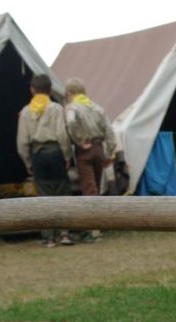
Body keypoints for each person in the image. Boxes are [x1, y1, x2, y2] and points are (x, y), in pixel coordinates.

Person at [17, 74, 73, 247]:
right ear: (50, 90)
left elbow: (22, 141)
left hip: (38, 155)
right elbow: (63, 135)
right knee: (62, 193)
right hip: (56, 152)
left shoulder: (26, 111)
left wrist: (28, 162)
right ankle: (64, 234)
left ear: (32, 90)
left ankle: (48, 237)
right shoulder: (56, 108)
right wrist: (67, 156)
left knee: (44, 196)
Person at [63, 77, 117, 241]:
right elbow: (109, 131)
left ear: (70, 93)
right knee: (96, 188)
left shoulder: (72, 107)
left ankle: (93, 228)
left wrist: (79, 141)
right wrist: (111, 153)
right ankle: (96, 225)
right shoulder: (97, 107)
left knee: (89, 189)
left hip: (84, 150)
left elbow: (71, 124)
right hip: (99, 148)